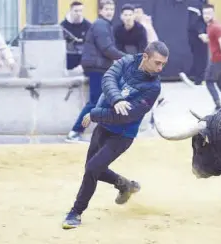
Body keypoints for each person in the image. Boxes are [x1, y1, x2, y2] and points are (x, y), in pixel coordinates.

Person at [62, 41, 169, 229]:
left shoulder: (153, 87)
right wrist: (117, 98)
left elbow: (127, 116)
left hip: (122, 135)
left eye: (163, 64)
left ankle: (76, 212)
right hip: (103, 127)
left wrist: (94, 114)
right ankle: (124, 184)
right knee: (92, 168)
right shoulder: (127, 61)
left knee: (93, 168)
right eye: (157, 63)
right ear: (145, 57)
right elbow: (108, 79)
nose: (160, 68)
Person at [65, 0, 126, 143]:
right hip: (96, 68)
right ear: (100, 11)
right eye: (106, 9)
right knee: (94, 102)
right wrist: (128, 58)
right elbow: (107, 48)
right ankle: (75, 132)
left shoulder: (104, 25)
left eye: (112, 9)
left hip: (100, 67)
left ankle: (108, 133)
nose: (110, 12)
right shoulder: (100, 25)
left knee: (107, 100)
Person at [60, 1, 92, 70]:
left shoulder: (88, 26)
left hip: (83, 59)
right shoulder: (63, 26)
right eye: (76, 11)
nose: (79, 13)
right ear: (70, 11)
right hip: (67, 58)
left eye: (80, 11)